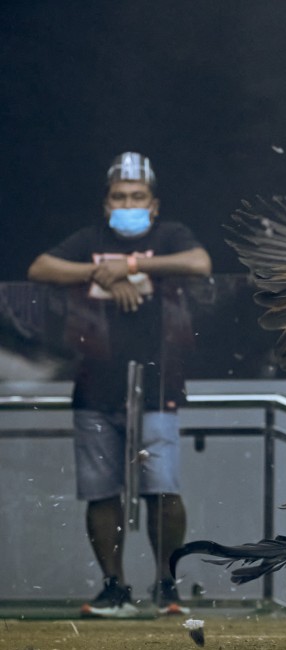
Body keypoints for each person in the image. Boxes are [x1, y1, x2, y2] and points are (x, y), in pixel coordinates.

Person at [27, 152, 212, 618]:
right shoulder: (90, 240)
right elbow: (40, 269)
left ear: (152, 204)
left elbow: (200, 263)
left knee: (163, 487)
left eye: (136, 196)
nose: (127, 202)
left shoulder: (169, 236)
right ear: (106, 202)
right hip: (95, 385)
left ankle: (167, 585)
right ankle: (114, 588)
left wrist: (132, 266)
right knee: (100, 490)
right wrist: (99, 271)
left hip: (158, 382)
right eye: (119, 196)